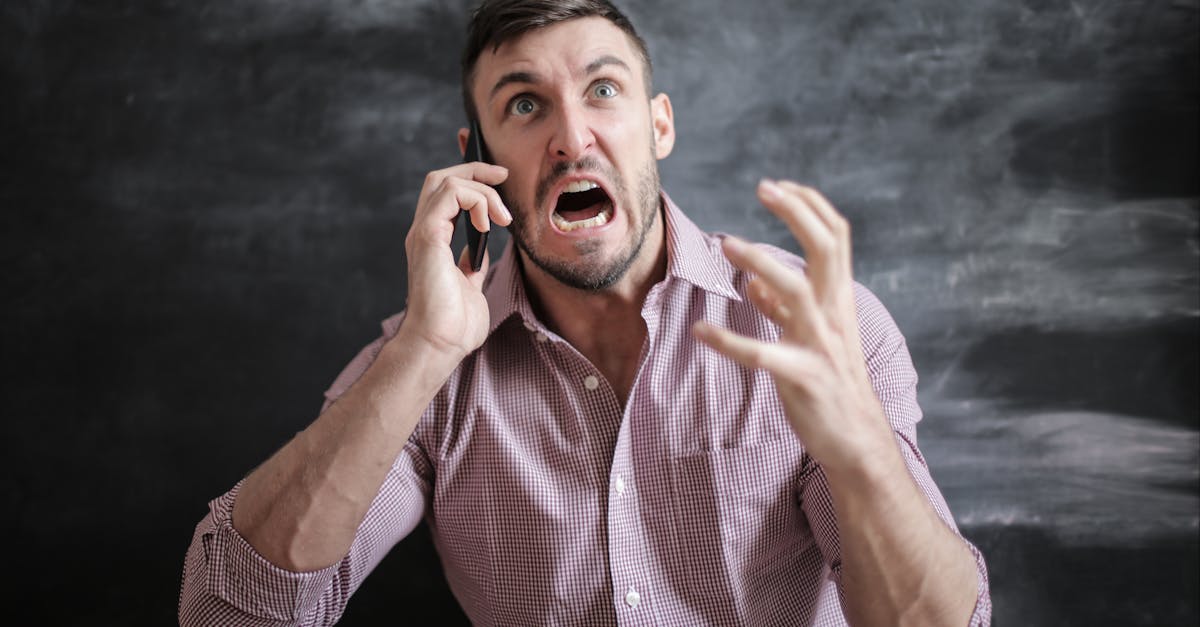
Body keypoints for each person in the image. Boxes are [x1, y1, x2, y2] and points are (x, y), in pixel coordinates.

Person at [179, 0, 992, 624]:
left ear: (658, 124)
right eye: (525, 106)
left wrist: (858, 446)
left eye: (603, 90)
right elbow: (226, 612)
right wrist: (423, 350)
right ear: (479, 159)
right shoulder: (425, 370)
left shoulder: (817, 325)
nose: (573, 138)